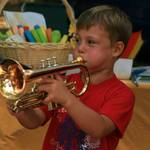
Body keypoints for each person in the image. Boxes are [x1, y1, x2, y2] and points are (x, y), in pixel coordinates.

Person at [8, 5, 135, 150]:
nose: (80, 48)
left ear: (116, 49)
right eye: (78, 40)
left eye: (91, 42)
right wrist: (21, 108)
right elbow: (34, 122)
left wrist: (67, 99)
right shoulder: (66, 81)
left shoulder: (122, 94)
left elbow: (98, 129)